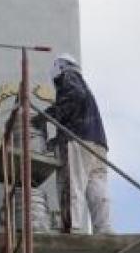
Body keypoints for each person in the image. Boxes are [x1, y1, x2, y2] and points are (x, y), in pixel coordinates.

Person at [40, 54, 113, 234]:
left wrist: (44, 117)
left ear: (60, 68)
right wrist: (55, 141)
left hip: (77, 140)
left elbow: (73, 99)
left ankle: (72, 227)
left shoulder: (69, 78)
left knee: (72, 183)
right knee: (97, 187)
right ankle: (103, 228)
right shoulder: (86, 87)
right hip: (97, 143)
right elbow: (77, 109)